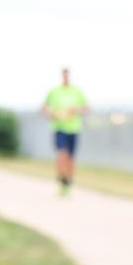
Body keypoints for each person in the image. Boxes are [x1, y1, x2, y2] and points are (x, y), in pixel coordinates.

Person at [43, 68, 89, 196]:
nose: (66, 77)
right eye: (64, 75)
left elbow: (87, 108)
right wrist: (51, 114)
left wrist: (76, 110)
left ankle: (68, 181)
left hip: (74, 128)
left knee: (70, 158)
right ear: (61, 76)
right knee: (62, 154)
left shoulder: (77, 91)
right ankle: (61, 179)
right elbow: (44, 108)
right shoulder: (54, 91)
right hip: (59, 127)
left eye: (68, 75)